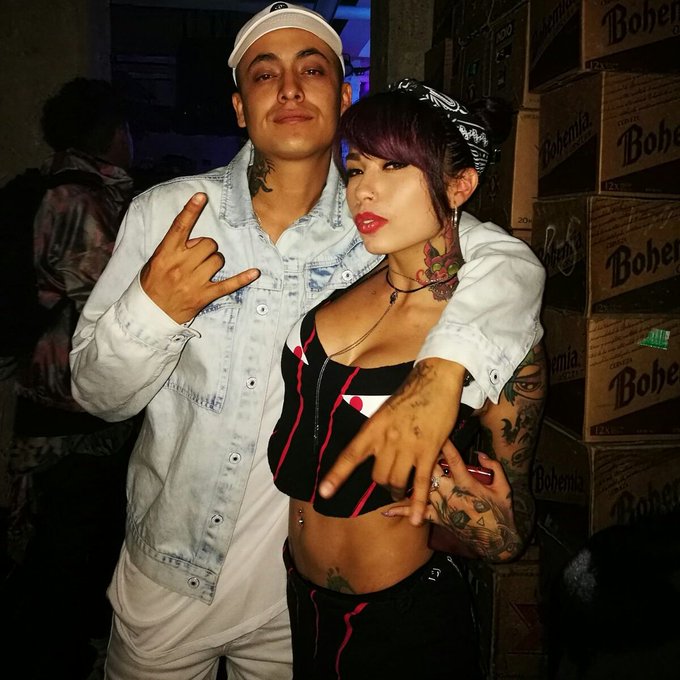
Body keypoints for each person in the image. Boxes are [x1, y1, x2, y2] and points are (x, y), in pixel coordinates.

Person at [69, 3, 545, 678]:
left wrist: (442, 372)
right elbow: (95, 396)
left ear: (343, 97)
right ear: (240, 107)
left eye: (312, 69)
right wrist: (153, 310)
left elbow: (512, 266)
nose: (290, 89)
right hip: (169, 572)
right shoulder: (168, 214)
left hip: (291, 590)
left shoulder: (378, 223)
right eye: (265, 75)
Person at [267, 78, 547, 679]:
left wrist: (479, 519)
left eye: (394, 166)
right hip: (299, 598)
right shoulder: (347, 284)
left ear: (459, 185)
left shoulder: (491, 336)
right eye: (356, 168)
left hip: (403, 619)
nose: (363, 189)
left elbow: (512, 525)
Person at [2, 77, 139, 679]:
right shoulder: (80, 199)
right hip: (71, 403)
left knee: (62, 536)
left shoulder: (55, 187)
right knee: (72, 543)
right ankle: (53, 655)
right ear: (110, 133)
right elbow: (112, 300)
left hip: (51, 390)